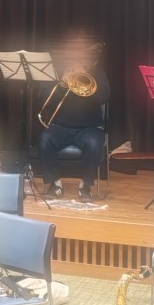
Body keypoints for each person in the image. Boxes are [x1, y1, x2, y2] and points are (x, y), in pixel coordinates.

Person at [38, 31, 109, 200]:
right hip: (60, 127)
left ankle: (86, 185)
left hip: (89, 128)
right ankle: (55, 183)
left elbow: (105, 96)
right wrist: (62, 84)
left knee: (94, 143)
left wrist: (86, 76)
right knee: (44, 139)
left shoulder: (96, 70)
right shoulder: (56, 70)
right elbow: (43, 99)